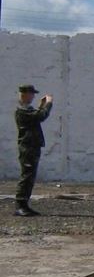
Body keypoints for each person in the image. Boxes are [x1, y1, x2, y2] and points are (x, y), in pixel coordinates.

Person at [14, 84, 53, 217]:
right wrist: (48, 104)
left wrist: (42, 106)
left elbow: (36, 116)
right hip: (28, 146)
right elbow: (41, 116)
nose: (33, 96)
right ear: (25, 94)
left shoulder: (26, 109)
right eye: (31, 94)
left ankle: (24, 205)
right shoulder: (22, 110)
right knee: (27, 175)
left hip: (32, 145)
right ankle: (20, 205)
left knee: (29, 176)